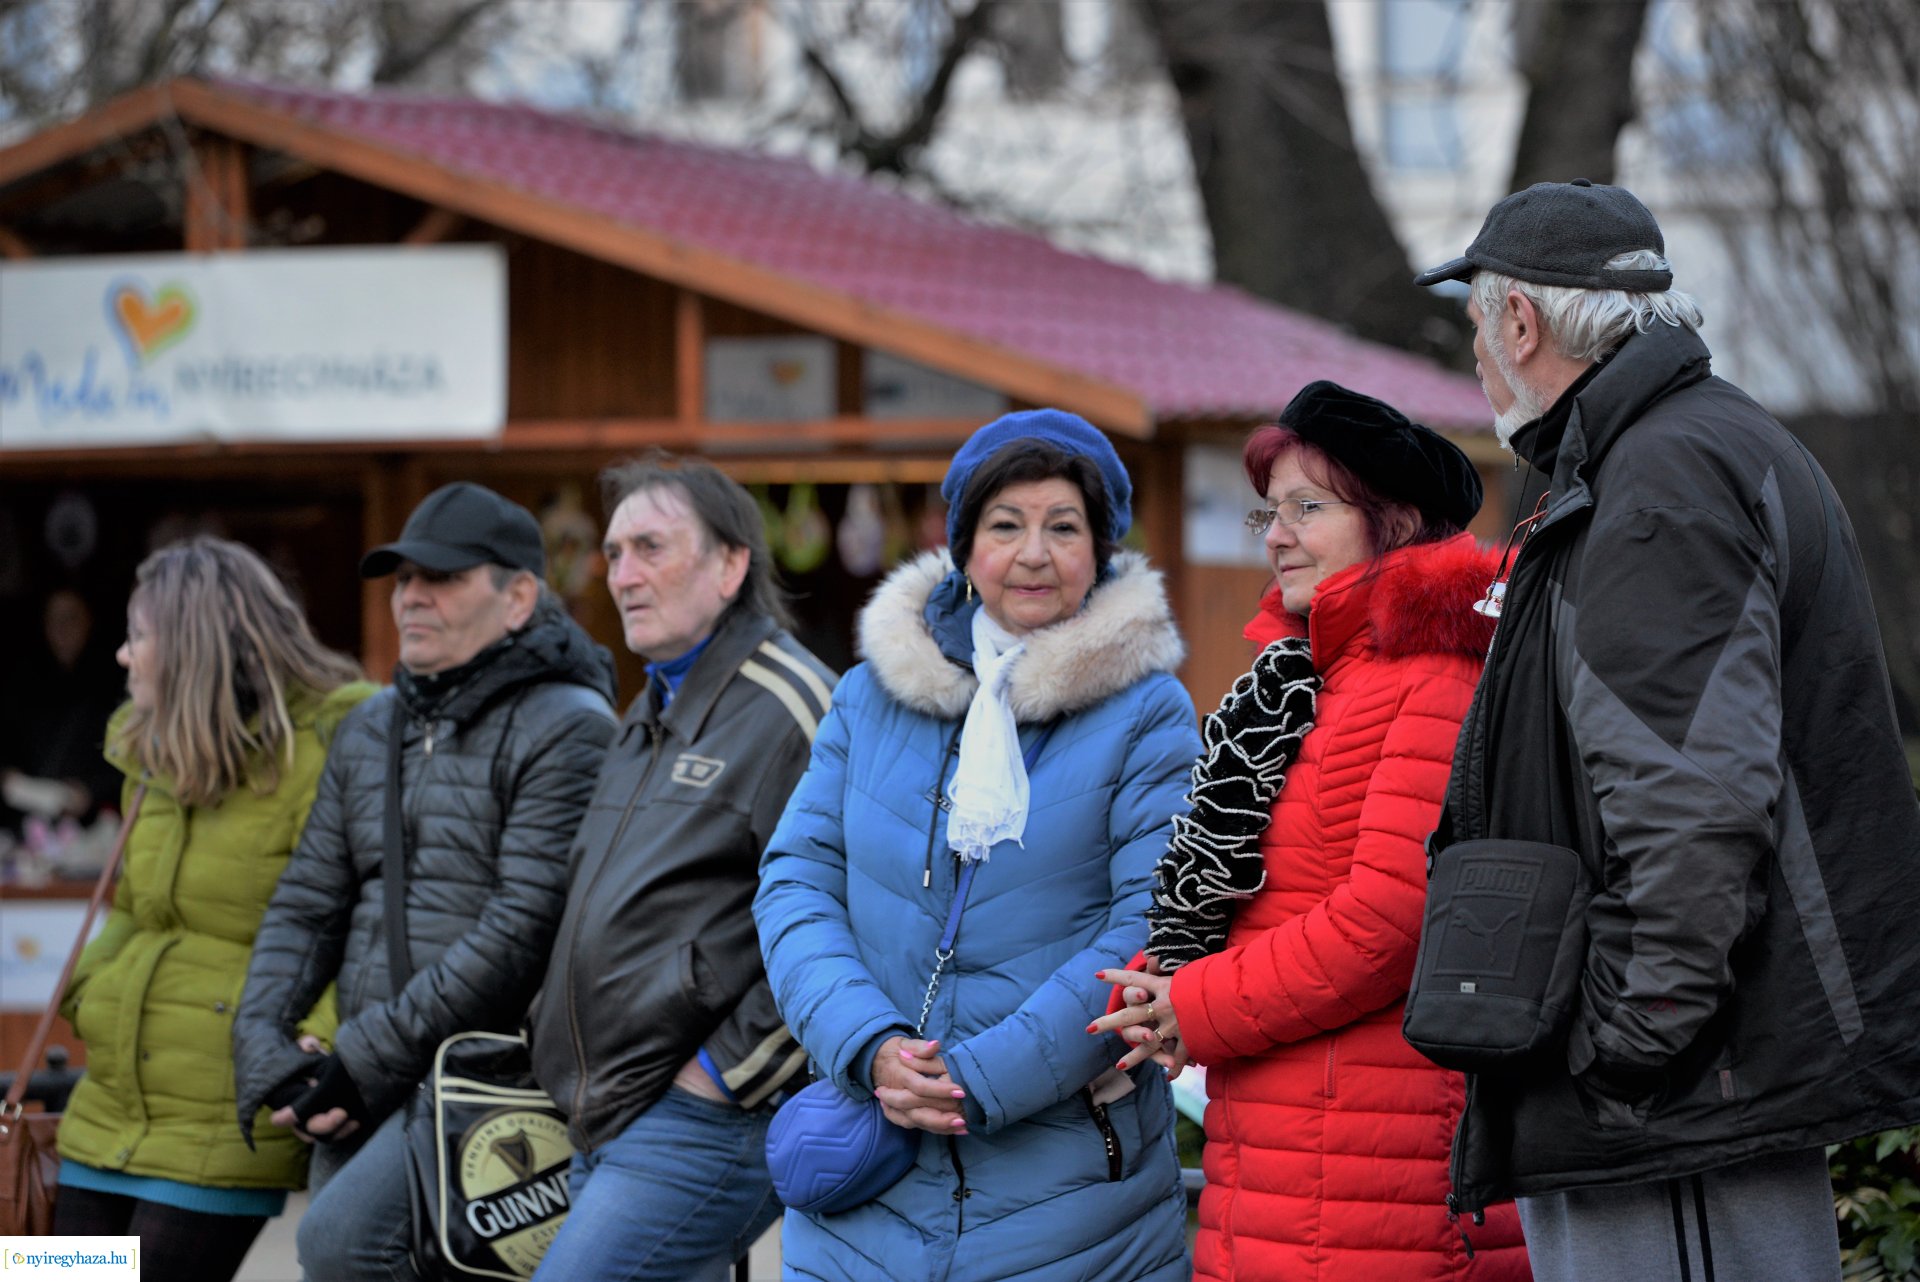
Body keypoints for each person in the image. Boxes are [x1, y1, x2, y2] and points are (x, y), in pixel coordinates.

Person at [1405, 179, 1920, 1281]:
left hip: (1678, 1107)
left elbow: (1690, 810)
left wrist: (1620, 1053)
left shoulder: (1657, 479)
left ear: (1520, 322)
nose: (1476, 360)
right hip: (1693, 1091)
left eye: (1476, 328)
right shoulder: (1672, 449)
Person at [1092, 382, 1531, 1280]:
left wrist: (1193, 1005)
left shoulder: (1435, 677)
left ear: (1395, 523)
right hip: (1289, 1143)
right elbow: (1270, 894)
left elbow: (1390, 921)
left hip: (1376, 1163)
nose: (1277, 534)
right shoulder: (1306, 682)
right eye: (1272, 510)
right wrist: (1159, 986)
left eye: (1309, 508)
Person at [754, 410, 1202, 1281]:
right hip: (866, 1188)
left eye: (1063, 527)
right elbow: (797, 880)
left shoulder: (1148, 713)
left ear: (1101, 551)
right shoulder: (871, 697)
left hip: (1072, 1199)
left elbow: (1150, 924)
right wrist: (870, 1045)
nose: (1034, 554)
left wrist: (970, 1081)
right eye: (1005, 525)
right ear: (962, 548)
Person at [231, 482, 618, 1282]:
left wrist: (363, 1059)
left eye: (441, 578)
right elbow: (308, 901)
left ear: (519, 598)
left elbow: (522, 926)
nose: (410, 596)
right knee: (331, 1258)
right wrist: (264, 1044)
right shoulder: (370, 725)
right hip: (364, 1078)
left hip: (483, 1082)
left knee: (337, 1247)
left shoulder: (570, 725)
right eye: (403, 578)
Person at [525, 452, 836, 1282]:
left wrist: (725, 1076)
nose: (622, 575)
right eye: (614, 552)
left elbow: (854, 915)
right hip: (607, 1111)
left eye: (651, 548)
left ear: (730, 566)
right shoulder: (647, 708)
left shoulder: (797, 704)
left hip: (708, 1115)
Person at [51, 538, 375, 1282]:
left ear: (192, 646)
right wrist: (90, 991)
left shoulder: (324, 753)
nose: (123, 656)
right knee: (49, 1275)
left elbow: (362, 917)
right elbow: (132, 910)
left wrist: (319, 1039)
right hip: (108, 1109)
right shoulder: (149, 757)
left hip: (223, 1115)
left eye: (137, 636)